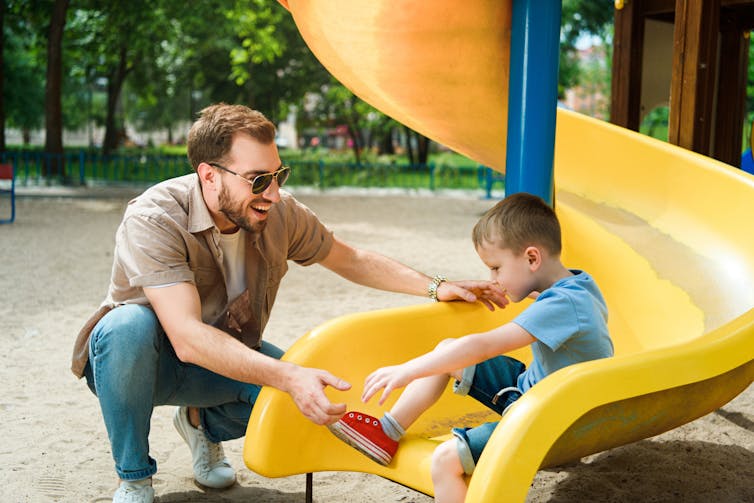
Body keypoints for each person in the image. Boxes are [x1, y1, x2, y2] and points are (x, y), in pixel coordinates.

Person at [70, 103, 508, 503]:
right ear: (208, 175)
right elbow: (185, 338)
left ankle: (201, 425)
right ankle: (134, 477)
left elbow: (349, 258)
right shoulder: (156, 216)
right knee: (125, 327)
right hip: (140, 361)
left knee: (308, 404)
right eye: (258, 180)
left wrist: (436, 286)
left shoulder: (278, 213)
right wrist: (288, 375)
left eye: (279, 175)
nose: (274, 193)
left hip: (223, 356)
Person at [328, 192, 613, 503]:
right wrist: (495, 288)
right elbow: (549, 301)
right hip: (537, 395)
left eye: (496, 268)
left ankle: (393, 432)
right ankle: (388, 432)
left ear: (532, 258)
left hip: (550, 421)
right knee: (446, 350)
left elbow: (482, 346)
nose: (493, 278)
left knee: (444, 461)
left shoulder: (563, 305)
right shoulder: (579, 286)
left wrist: (407, 370)